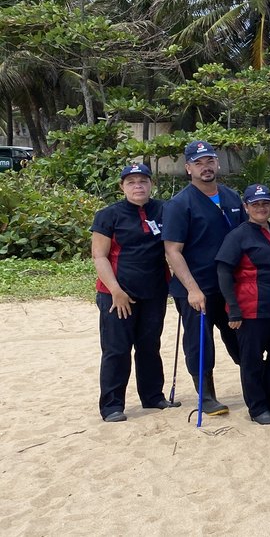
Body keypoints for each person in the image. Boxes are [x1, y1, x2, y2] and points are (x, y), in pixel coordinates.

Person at [91, 164, 180, 422]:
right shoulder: (108, 215)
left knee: (149, 346)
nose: (137, 186)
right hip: (117, 294)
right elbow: (99, 255)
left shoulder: (164, 210)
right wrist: (115, 290)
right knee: (116, 349)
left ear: (151, 184)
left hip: (154, 292)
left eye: (143, 180)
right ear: (122, 187)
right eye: (131, 182)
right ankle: (112, 405)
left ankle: (153, 396)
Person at [162, 140, 246, 415]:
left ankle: (256, 380)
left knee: (239, 334)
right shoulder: (179, 204)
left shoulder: (232, 197)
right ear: (188, 168)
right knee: (200, 339)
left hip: (229, 285)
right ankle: (206, 394)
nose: (205, 167)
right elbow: (172, 251)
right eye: (198, 163)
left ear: (217, 163)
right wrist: (192, 289)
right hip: (197, 286)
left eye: (209, 161)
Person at [216, 184, 270, 425]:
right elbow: (224, 272)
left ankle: (268, 400)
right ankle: (257, 408)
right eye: (255, 204)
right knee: (252, 361)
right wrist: (232, 307)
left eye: (265, 203)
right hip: (252, 309)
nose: (261, 208)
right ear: (246, 207)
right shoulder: (238, 235)